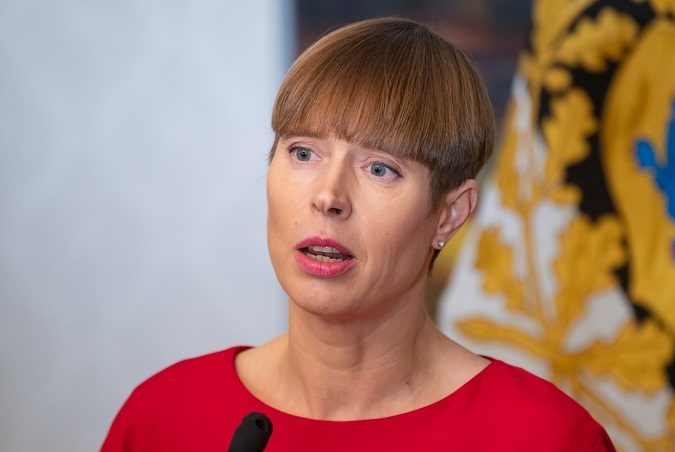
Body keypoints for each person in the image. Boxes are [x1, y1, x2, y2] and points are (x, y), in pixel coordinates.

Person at [101, 17, 615, 451]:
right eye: (303, 153)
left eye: (380, 168)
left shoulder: (544, 437)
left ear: (450, 214)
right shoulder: (163, 417)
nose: (328, 196)